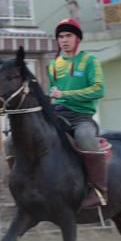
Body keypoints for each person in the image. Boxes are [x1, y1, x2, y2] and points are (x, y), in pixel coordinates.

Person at [48, 19, 108, 209]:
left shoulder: (90, 60)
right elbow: (53, 92)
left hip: (82, 117)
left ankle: (99, 191)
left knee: (84, 137)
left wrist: (65, 94)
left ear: (77, 39)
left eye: (68, 36)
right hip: (58, 115)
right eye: (60, 37)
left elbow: (99, 90)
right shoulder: (53, 65)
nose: (64, 40)